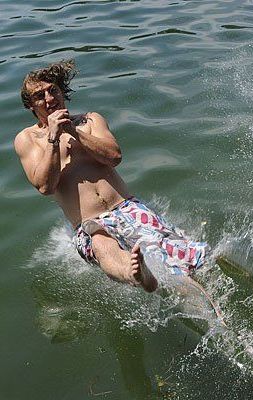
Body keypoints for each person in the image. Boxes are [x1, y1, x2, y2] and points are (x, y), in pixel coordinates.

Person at [14, 59, 209, 293]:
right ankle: (134, 274)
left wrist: (72, 131)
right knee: (100, 243)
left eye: (52, 90)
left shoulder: (90, 120)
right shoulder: (27, 139)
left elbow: (114, 156)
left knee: (179, 260)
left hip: (128, 207)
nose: (49, 99)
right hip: (88, 222)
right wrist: (53, 138)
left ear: (62, 92)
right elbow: (45, 186)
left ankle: (195, 287)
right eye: (39, 96)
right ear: (31, 106)